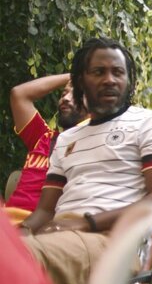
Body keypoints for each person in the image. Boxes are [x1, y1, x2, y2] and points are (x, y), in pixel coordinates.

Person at [18, 37, 152, 284]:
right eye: (98, 72)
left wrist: (86, 223)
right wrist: (23, 229)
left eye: (118, 72)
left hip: (115, 241)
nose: (109, 79)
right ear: (81, 81)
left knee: (14, 262)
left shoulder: (148, 123)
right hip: (61, 235)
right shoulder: (66, 140)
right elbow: (45, 211)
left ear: (129, 81)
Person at [5, 73, 89, 224]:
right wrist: (73, 74)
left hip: (38, 231)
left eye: (76, 94)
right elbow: (19, 95)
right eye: (64, 93)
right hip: (7, 224)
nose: (66, 98)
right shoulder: (43, 137)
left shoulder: (94, 145)